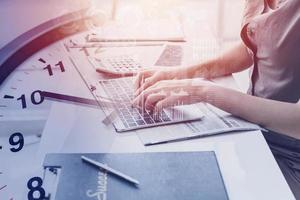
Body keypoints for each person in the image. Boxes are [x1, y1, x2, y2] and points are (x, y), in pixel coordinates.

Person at [133, 0, 300, 197]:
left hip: (290, 157)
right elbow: (257, 46)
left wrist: (205, 91)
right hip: (253, 131)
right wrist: (180, 74)